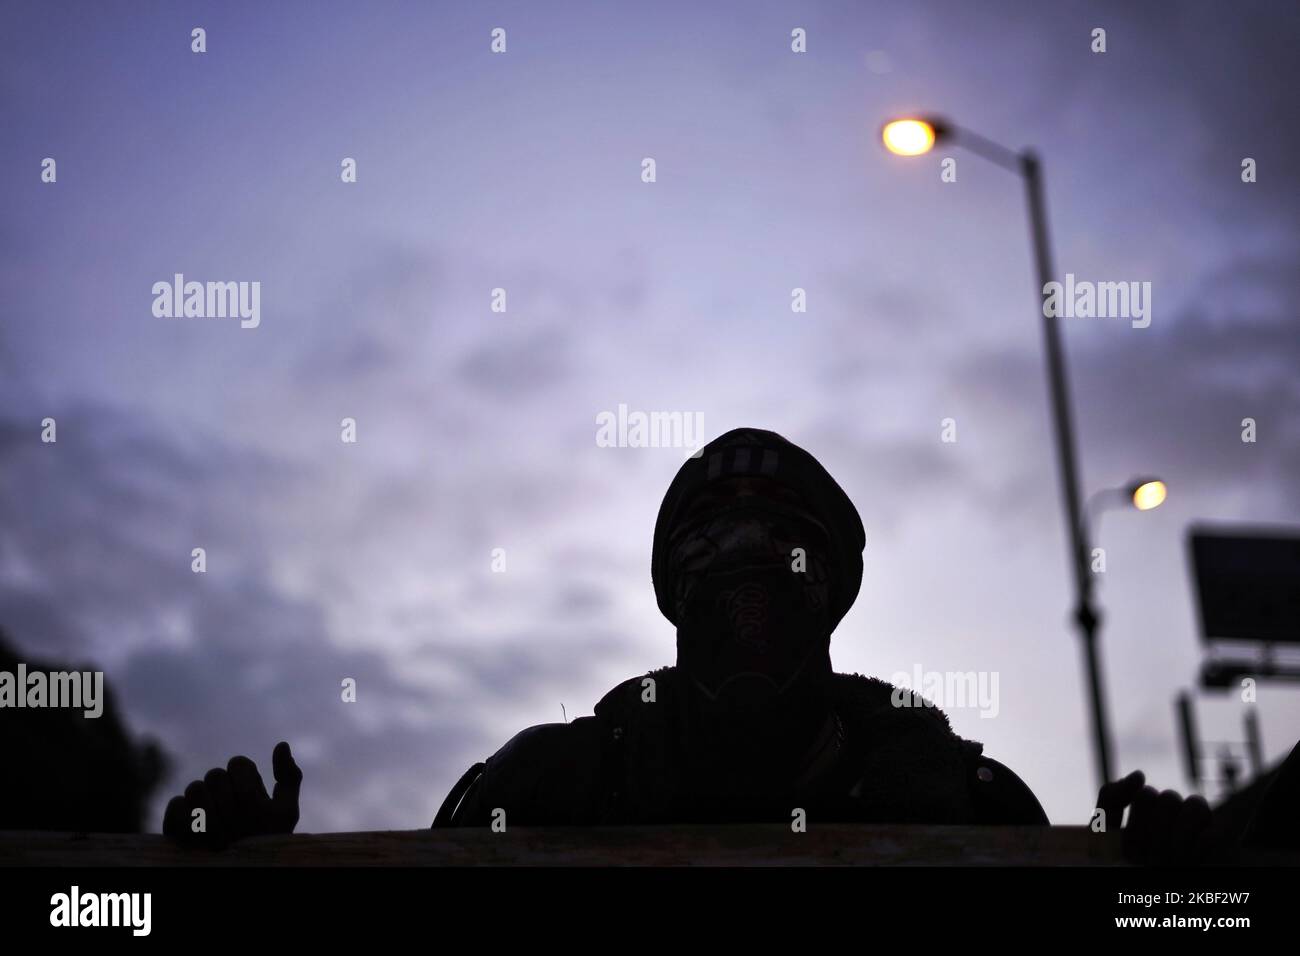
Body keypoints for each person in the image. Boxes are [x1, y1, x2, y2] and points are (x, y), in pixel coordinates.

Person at [163, 428, 1222, 858]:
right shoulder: (551, 780)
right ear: (674, 593)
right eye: (714, 548)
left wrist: (1173, 889)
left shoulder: (957, 794)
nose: (748, 571)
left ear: (833, 596)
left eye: (782, 547)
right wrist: (242, 875)